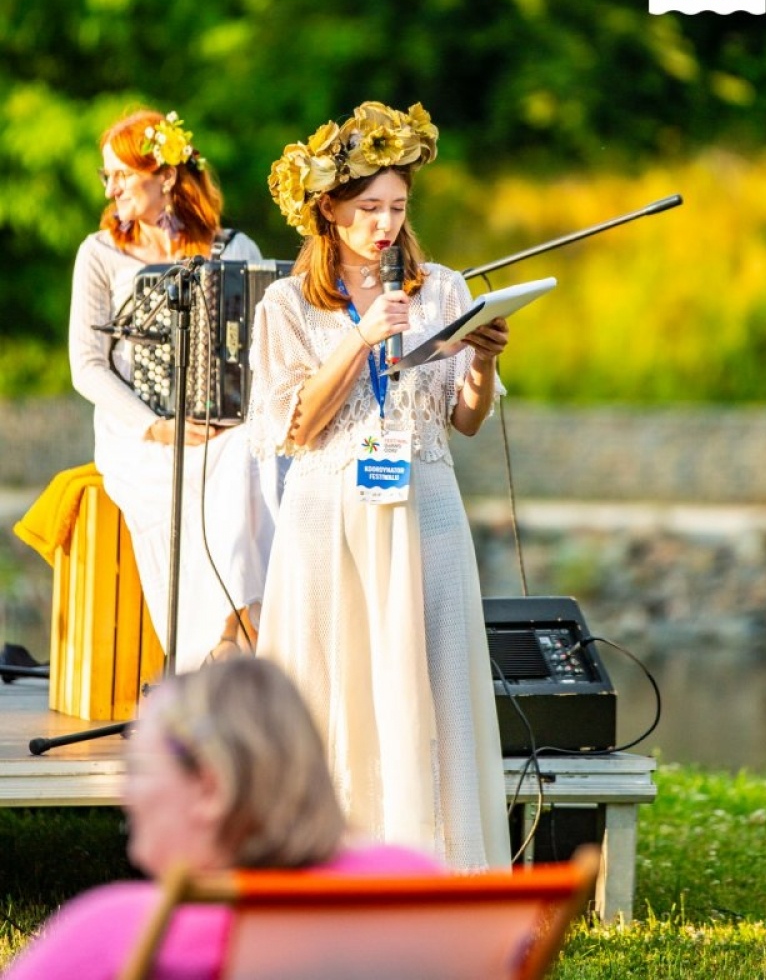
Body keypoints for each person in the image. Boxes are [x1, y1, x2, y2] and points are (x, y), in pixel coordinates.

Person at [248, 101, 512, 871]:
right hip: (328, 517)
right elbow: (294, 429)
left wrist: (486, 360)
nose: (384, 225)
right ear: (327, 211)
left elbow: (465, 421)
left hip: (424, 505)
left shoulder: (444, 288)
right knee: (336, 689)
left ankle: (440, 864)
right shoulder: (288, 306)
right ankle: (327, 866)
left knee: (432, 683)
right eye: (367, 209)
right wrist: (361, 339)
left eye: (397, 208)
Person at [3, 657, 443, 979]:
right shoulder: (414, 887)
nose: (124, 793)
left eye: (137, 770)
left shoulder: (115, 934)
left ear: (211, 788)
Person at [68, 108, 278, 671]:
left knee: (247, 460)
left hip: (223, 423)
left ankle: (230, 638)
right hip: (137, 430)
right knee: (192, 480)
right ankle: (227, 646)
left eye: (120, 174)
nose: (110, 188)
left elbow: (263, 352)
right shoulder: (99, 254)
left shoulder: (235, 248)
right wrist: (157, 426)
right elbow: (87, 366)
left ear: (163, 175)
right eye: (105, 176)